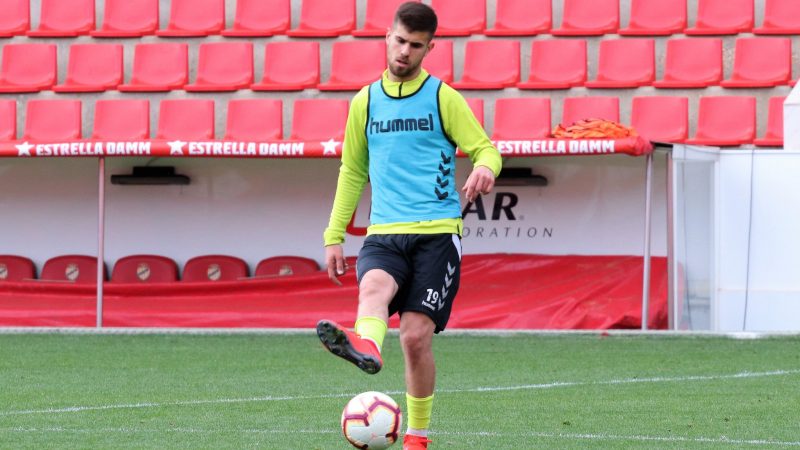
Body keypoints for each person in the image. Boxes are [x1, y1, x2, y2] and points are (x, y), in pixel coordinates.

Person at [315, 3, 502, 449]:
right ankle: (368, 350)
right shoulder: (365, 101)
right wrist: (334, 234)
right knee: (373, 288)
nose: (405, 52)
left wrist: (486, 169)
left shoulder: (442, 97)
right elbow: (351, 170)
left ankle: (417, 438)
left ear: (429, 48)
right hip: (384, 231)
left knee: (416, 338)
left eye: (416, 46)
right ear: (387, 37)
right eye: (400, 41)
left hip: (437, 233)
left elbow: (486, 149)